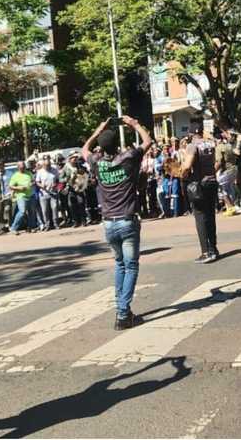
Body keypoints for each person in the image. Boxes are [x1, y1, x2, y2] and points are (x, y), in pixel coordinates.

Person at [82, 115, 153, 330]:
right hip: (127, 220)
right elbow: (148, 142)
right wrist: (135, 124)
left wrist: (97, 131)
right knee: (131, 266)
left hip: (109, 223)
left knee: (120, 264)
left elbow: (85, 150)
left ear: (101, 148)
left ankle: (123, 309)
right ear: (117, 145)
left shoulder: (96, 162)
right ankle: (123, 313)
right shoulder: (128, 158)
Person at [180, 124, 219, 263]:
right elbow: (217, 161)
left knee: (200, 217)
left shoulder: (192, 145)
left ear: (190, 133)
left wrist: (183, 174)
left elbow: (187, 165)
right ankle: (213, 248)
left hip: (199, 184)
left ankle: (206, 252)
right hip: (212, 181)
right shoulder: (210, 144)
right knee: (210, 216)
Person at [7, 161, 34, 235]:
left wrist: (32, 184)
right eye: (22, 167)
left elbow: (33, 181)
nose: (23, 168)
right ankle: (13, 228)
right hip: (21, 196)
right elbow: (10, 186)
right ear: (18, 167)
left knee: (31, 212)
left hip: (30, 195)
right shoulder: (15, 176)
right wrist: (19, 188)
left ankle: (30, 228)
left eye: (24, 166)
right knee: (22, 212)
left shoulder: (28, 173)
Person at [34, 159, 59, 232]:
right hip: (43, 194)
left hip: (53, 193)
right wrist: (41, 185)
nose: (48, 167)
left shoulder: (54, 170)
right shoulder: (40, 172)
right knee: (45, 211)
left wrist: (56, 185)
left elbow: (58, 180)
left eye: (49, 165)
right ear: (43, 165)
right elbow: (37, 182)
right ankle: (47, 225)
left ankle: (56, 224)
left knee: (55, 208)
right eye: (46, 166)